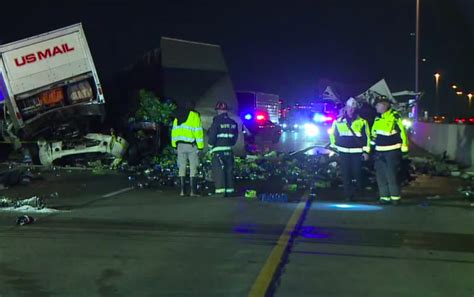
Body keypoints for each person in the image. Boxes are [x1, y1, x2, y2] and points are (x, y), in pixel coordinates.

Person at [329, 98, 371, 201]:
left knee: (357, 173)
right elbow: (333, 135)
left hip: (357, 152)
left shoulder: (362, 122)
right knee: (345, 174)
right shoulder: (338, 121)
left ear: (356, 109)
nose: (351, 110)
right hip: (343, 152)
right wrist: (334, 148)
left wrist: (366, 152)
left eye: (353, 108)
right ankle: (348, 195)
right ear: (346, 108)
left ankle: (358, 193)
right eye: (349, 108)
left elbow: (367, 137)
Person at [371, 97, 409, 205]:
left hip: (392, 151)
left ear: (385, 106)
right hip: (379, 152)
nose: (376, 107)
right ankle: (384, 198)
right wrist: (372, 148)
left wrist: (404, 148)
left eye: (378, 105)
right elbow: (374, 135)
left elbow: (403, 133)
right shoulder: (378, 119)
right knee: (381, 175)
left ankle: (395, 198)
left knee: (391, 175)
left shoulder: (395, 117)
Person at [171, 102, 204, 196]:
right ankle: (192, 191)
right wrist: (200, 146)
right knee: (193, 167)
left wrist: (174, 146)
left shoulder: (177, 116)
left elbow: (173, 132)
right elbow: (198, 131)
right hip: (191, 145)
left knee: (182, 167)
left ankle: (182, 191)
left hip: (180, 145)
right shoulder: (194, 115)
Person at [208, 101, 239, 197]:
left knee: (219, 171)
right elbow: (235, 138)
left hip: (218, 151)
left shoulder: (216, 121)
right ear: (226, 111)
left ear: (218, 111)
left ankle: (220, 192)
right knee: (228, 171)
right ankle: (230, 191)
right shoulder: (233, 123)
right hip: (229, 150)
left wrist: (210, 146)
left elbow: (212, 136)